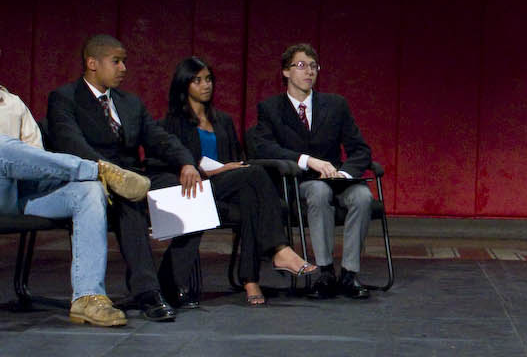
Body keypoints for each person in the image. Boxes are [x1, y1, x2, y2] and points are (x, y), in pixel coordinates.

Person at [47, 34, 202, 322]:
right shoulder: (64, 98)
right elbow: (72, 144)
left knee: (193, 194)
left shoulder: (129, 103)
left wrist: (186, 163)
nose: (123, 69)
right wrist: (113, 174)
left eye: (125, 62)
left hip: (135, 176)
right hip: (95, 180)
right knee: (128, 198)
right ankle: (147, 292)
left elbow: (160, 138)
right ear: (92, 63)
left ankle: (167, 281)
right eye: (116, 62)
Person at [157, 57, 317, 307]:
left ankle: (251, 279)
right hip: (196, 189)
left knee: (250, 199)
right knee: (252, 174)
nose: (205, 85)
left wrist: (228, 169)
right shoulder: (171, 123)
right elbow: (170, 164)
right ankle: (277, 250)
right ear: (184, 85)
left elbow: (235, 160)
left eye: (208, 79)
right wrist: (211, 172)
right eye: (197, 80)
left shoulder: (223, 121)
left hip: (227, 188)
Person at [1, 64, 149, 326]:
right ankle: (98, 169)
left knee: (89, 191)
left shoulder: (12, 104)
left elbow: (39, 161)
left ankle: (88, 297)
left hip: (17, 195)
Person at [249, 44, 375, 300]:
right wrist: (307, 160)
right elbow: (264, 147)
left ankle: (350, 274)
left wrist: (345, 174)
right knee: (318, 191)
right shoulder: (271, 109)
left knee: (363, 197)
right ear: (285, 72)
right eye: (301, 65)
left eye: (313, 66)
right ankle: (325, 273)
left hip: (336, 179)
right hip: (302, 181)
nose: (309, 72)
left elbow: (360, 150)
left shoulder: (335, 105)